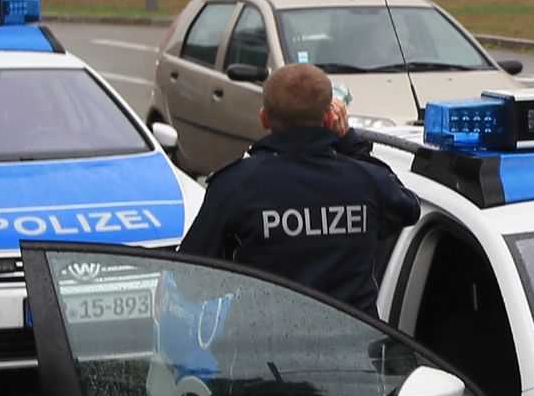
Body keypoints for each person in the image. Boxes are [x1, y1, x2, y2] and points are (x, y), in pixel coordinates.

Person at [179, 63, 419, 312]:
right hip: (352, 335)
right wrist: (350, 143)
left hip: (262, 334)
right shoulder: (366, 181)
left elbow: (189, 282)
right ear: (329, 118)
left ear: (264, 118)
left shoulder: (236, 184)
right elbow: (409, 209)